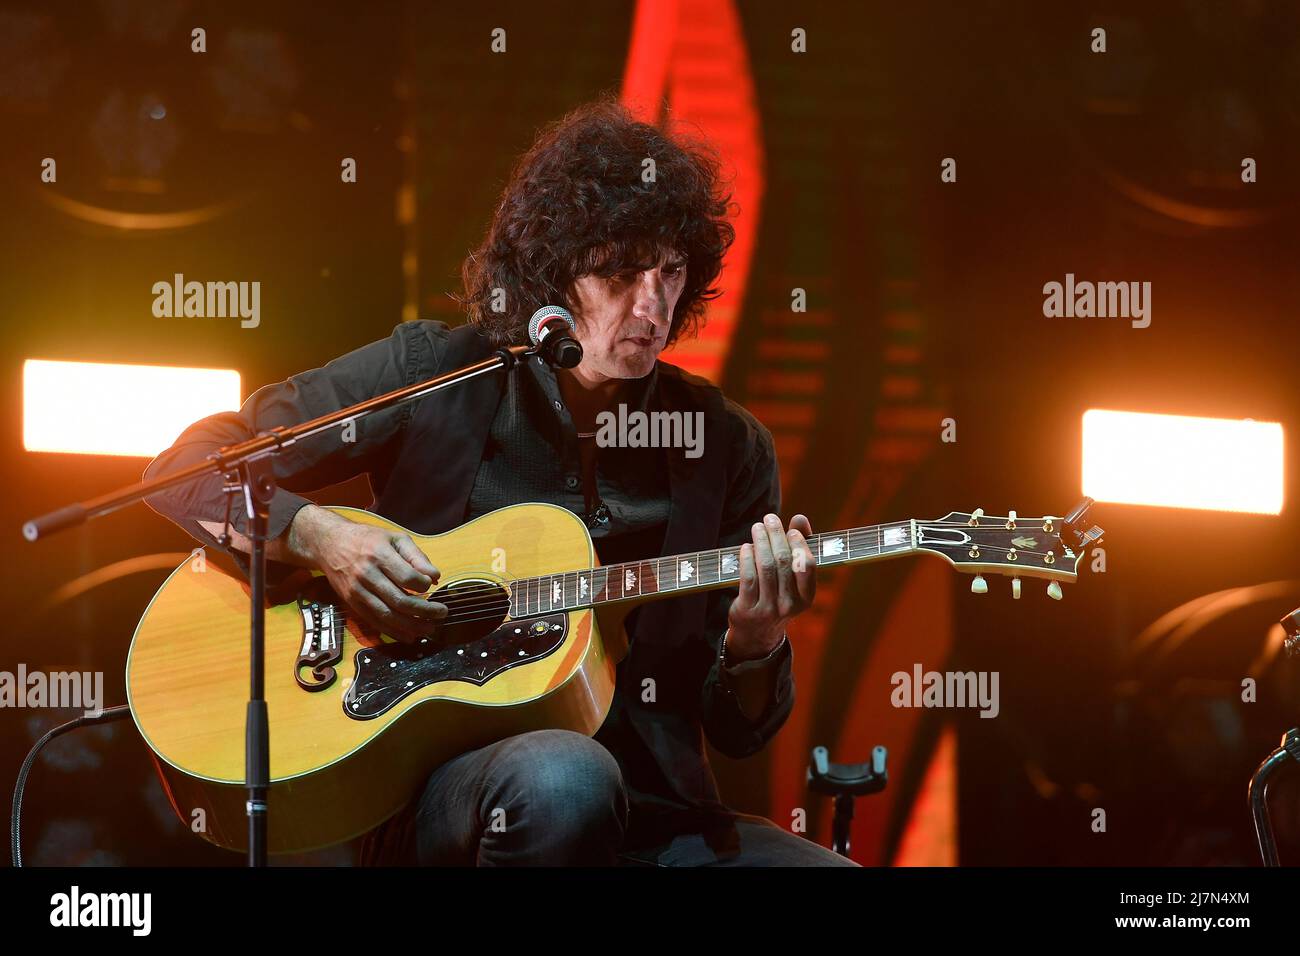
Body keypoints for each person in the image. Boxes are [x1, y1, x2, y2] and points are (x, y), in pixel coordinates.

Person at [144, 97, 857, 866]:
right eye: (621, 270)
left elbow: (741, 730)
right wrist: (320, 534)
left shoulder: (726, 445)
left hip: (660, 813)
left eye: (672, 272)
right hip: (441, 793)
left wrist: (756, 640)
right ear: (555, 273)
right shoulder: (432, 372)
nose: (652, 306)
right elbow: (187, 465)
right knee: (564, 778)